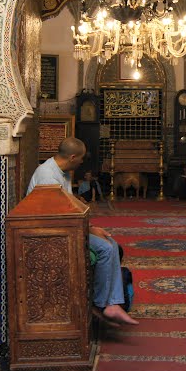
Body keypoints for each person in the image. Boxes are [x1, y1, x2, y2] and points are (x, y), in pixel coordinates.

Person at [27, 137, 138, 326]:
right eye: (81, 158)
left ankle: (112, 303)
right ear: (72, 157)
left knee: (111, 244)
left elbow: (69, 207)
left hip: (67, 227)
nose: (82, 162)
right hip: (50, 234)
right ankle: (103, 303)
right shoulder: (47, 175)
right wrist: (89, 230)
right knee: (105, 248)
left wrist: (91, 227)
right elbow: (58, 214)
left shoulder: (63, 172)